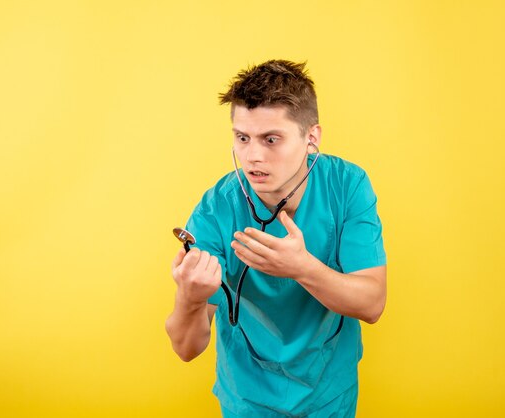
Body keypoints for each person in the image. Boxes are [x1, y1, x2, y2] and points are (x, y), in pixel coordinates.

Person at [165, 59, 387, 417]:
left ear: (311, 138)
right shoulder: (215, 210)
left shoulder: (347, 186)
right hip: (248, 398)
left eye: (271, 139)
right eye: (242, 138)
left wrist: (302, 268)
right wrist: (190, 298)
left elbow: (372, 303)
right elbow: (186, 348)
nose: (253, 156)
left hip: (329, 393)